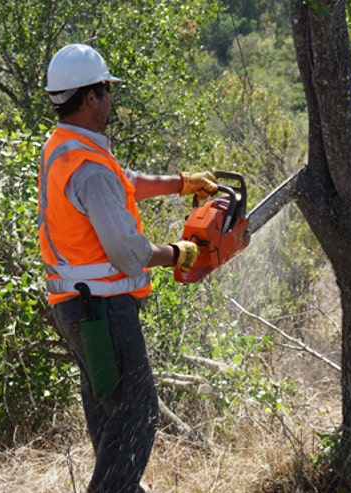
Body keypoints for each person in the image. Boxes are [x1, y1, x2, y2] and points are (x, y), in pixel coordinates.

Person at [38, 43, 217, 493]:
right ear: (92, 95)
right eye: (106, 90)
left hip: (77, 308)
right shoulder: (88, 167)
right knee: (138, 413)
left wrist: (182, 184)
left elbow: (126, 182)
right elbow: (128, 253)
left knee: (111, 413)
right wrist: (178, 253)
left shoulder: (66, 148)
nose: (110, 99)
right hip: (102, 309)